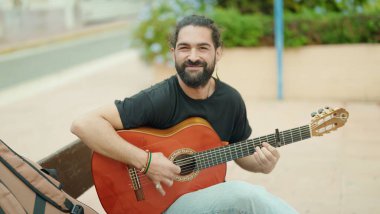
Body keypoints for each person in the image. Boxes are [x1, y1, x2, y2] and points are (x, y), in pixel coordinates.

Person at [71, 15, 297, 214]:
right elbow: (84, 124)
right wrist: (145, 161)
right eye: (184, 47)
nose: (193, 56)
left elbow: (238, 151)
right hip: (155, 208)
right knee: (244, 196)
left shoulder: (230, 100)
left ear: (218, 53)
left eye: (203, 48)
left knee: (242, 199)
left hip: (201, 198)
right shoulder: (159, 98)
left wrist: (261, 164)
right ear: (173, 53)